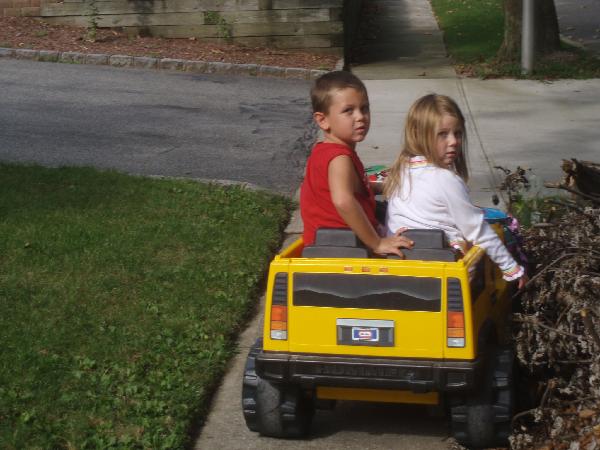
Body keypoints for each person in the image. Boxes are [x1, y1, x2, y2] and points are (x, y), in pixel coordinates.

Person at [384, 94, 528, 288]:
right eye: (443, 134)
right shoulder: (445, 179)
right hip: (447, 270)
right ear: (419, 134)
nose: (453, 141)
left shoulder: (400, 170)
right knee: (495, 229)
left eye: (457, 133)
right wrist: (511, 269)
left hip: (402, 266)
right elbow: (477, 230)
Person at [300, 71, 413, 256]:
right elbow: (343, 201)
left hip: (339, 241)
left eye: (364, 108)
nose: (360, 116)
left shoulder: (328, 150)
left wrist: (379, 187)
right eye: (348, 111)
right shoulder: (339, 158)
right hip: (341, 248)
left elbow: (349, 189)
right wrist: (377, 243)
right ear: (323, 120)